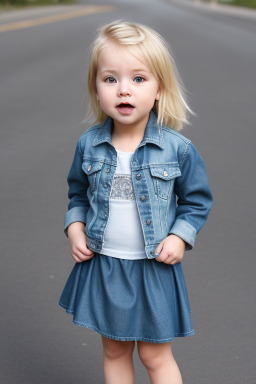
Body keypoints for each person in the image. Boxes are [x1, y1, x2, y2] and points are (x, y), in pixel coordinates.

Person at [59, 20, 213, 384]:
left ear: (159, 88)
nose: (123, 90)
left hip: (153, 267)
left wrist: (179, 237)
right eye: (110, 79)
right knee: (114, 349)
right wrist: (75, 226)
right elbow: (78, 193)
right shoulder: (89, 145)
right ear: (96, 90)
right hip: (107, 264)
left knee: (154, 354)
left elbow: (196, 201)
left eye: (139, 79)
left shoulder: (177, 149)